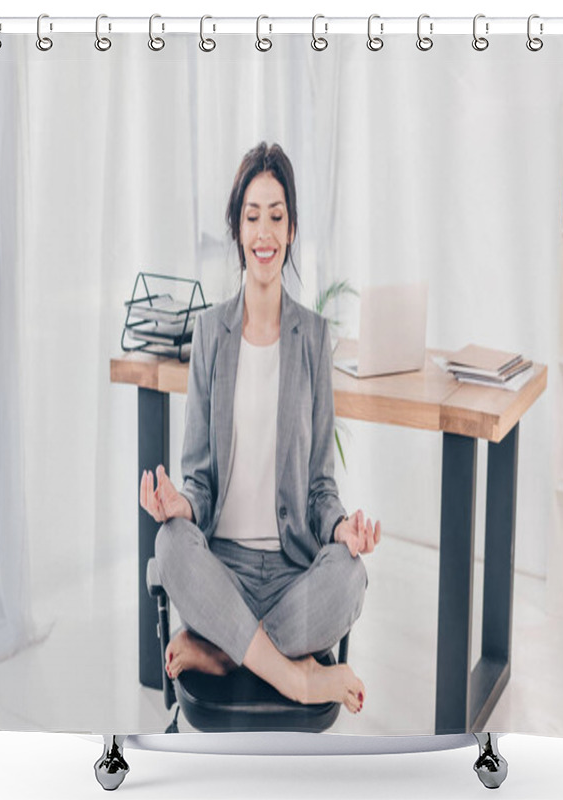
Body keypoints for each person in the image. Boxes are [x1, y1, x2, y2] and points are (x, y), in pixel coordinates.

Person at [139, 142, 381, 716]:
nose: (264, 232)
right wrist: (180, 504)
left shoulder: (315, 339)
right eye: (253, 217)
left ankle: (226, 649)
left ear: (292, 229)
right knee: (169, 545)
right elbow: (198, 479)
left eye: (277, 216)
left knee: (350, 575)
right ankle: (297, 676)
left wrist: (342, 528)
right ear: (237, 228)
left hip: (293, 574)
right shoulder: (210, 335)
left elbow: (320, 485)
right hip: (222, 569)